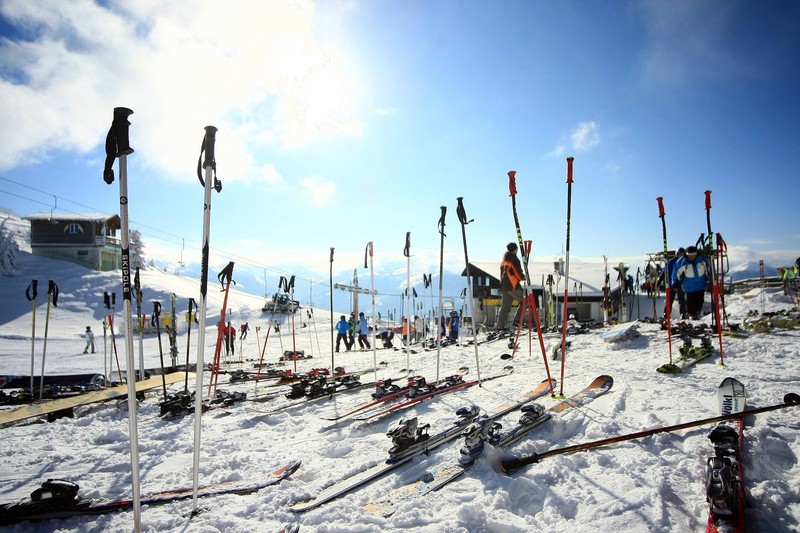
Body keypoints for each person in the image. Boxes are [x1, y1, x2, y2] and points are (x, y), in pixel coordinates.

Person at [496, 242, 525, 332]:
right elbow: (517, 272)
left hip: (504, 286)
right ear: (515, 250)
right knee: (525, 300)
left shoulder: (503, 261)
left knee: (505, 306)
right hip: (512, 285)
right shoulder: (514, 259)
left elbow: (502, 274)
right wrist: (523, 277)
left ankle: (500, 326)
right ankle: (517, 320)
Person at [674, 245, 709, 319]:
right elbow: (675, 273)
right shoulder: (681, 262)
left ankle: (697, 313)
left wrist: (710, 280)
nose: (692, 257)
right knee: (690, 302)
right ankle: (691, 315)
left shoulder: (702, 260)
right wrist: (675, 282)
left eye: (693, 255)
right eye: (690, 255)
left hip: (701, 285)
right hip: (688, 287)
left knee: (700, 301)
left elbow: (708, 270)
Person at [665, 247, 687, 318]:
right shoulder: (671, 262)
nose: (680, 256)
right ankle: (666, 314)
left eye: (682, 255)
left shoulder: (685, 262)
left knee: (682, 300)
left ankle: (683, 314)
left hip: (681, 283)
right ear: (676, 254)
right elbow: (665, 272)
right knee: (669, 299)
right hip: (672, 283)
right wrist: (660, 282)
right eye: (679, 254)